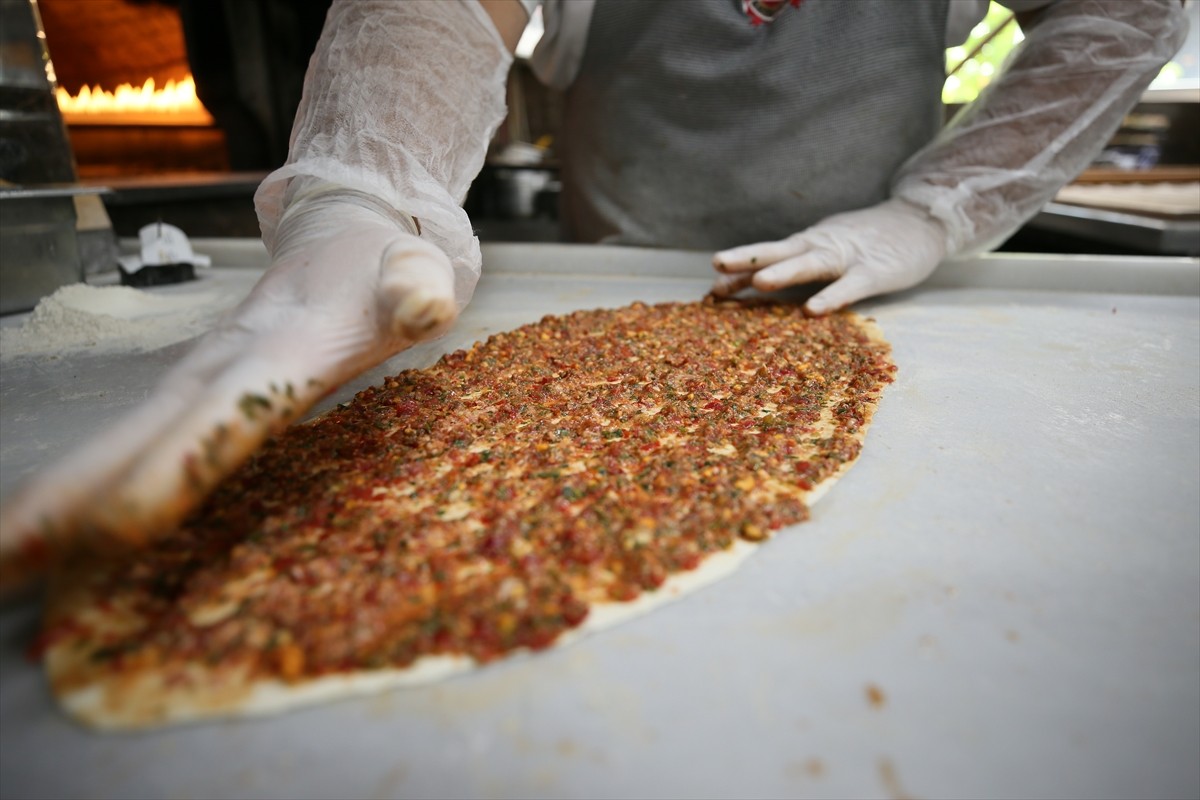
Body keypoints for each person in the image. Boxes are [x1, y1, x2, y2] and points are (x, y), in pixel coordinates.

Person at [0, 0, 1186, 573]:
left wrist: (933, 213)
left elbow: (1125, 8)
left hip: (855, 281)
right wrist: (361, 191)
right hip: (608, 268)